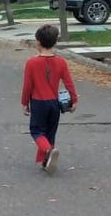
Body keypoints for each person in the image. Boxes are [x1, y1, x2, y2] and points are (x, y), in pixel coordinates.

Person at [21, 24, 78, 172]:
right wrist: (74, 99)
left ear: (38, 41)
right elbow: (68, 82)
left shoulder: (31, 63)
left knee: (36, 131)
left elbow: (28, 85)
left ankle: (48, 151)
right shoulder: (61, 62)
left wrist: (24, 102)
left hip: (38, 102)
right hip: (54, 103)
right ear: (55, 42)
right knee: (50, 132)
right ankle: (46, 161)